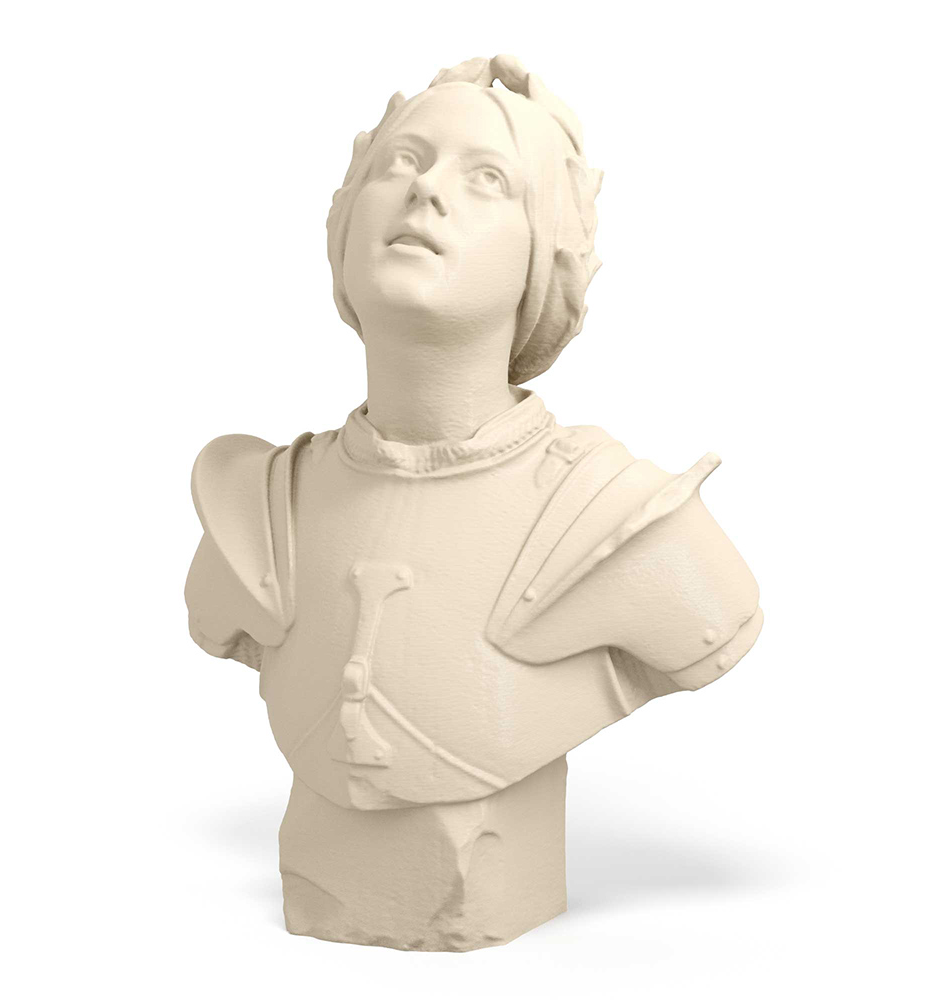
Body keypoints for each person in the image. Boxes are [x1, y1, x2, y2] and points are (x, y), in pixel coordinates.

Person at [185, 55, 763, 951]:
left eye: (487, 178)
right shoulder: (261, 516)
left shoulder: (619, 525)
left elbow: (712, 625)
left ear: (545, 255)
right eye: (402, 162)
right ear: (343, 226)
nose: (426, 192)